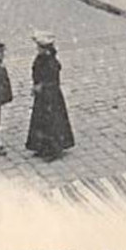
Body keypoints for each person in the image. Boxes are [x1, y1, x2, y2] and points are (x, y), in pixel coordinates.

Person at [26, 33, 75, 161]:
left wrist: (41, 86)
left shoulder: (51, 61)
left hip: (50, 96)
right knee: (42, 122)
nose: (38, 50)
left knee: (51, 122)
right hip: (42, 96)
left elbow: (52, 79)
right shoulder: (41, 58)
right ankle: (42, 147)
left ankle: (53, 149)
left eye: (40, 47)